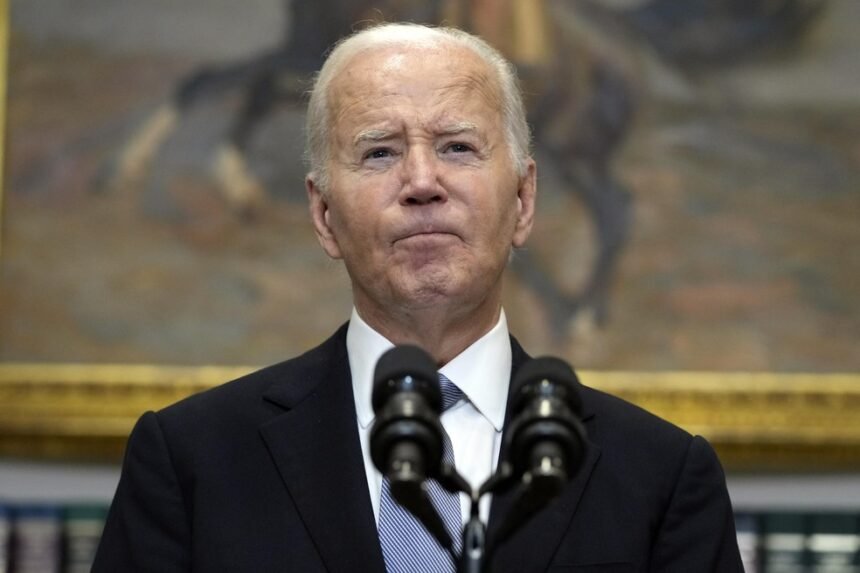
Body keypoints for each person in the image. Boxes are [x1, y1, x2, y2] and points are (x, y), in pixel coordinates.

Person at [93, 23, 743, 572]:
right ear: (323, 215)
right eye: (379, 153)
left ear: (523, 200)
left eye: (458, 147)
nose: (423, 182)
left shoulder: (661, 478)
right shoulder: (190, 462)